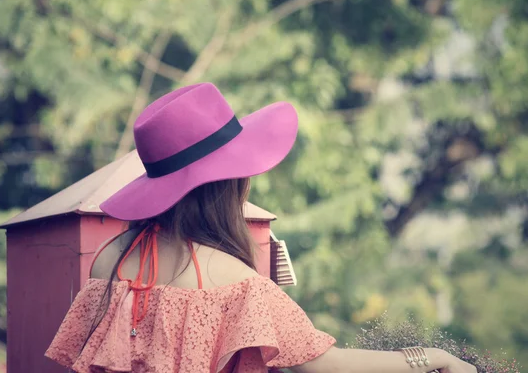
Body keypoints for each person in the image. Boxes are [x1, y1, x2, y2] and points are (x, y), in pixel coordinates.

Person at [45, 83, 477, 373]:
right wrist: (434, 358)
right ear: (228, 183)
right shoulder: (235, 283)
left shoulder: (109, 262)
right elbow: (324, 364)